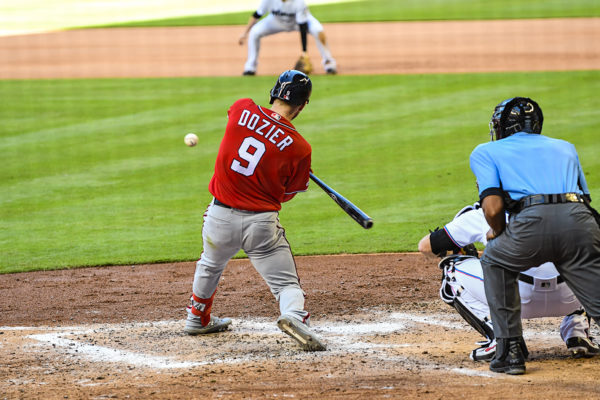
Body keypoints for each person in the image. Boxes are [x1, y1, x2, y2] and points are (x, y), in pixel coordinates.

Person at [183, 70, 326, 352]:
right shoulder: (300, 148)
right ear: (303, 106)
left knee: (210, 264)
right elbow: (287, 195)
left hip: (219, 218)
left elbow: (241, 129)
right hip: (260, 225)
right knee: (285, 284)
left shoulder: (242, 108)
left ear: (273, 92)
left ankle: (197, 317)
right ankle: (294, 316)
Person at [469, 97, 600, 375]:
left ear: (503, 126)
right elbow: (585, 199)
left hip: (530, 223)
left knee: (495, 260)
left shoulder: (486, 151)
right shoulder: (566, 147)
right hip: (579, 221)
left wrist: (498, 233)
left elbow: (493, 207)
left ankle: (510, 350)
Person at [418, 202, 599, 361]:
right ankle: (577, 331)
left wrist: (458, 248)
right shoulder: (571, 210)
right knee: (586, 262)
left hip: (514, 297)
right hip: (570, 298)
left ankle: (501, 337)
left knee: (452, 269)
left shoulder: (483, 214)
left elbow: (426, 247)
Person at [238, 0, 337, 76]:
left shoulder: (299, 2)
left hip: (297, 23)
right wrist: (245, 33)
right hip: (276, 21)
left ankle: (329, 64)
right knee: (254, 32)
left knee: (318, 31)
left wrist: (304, 52)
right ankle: (250, 68)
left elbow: (302, 26)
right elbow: (257, 14)